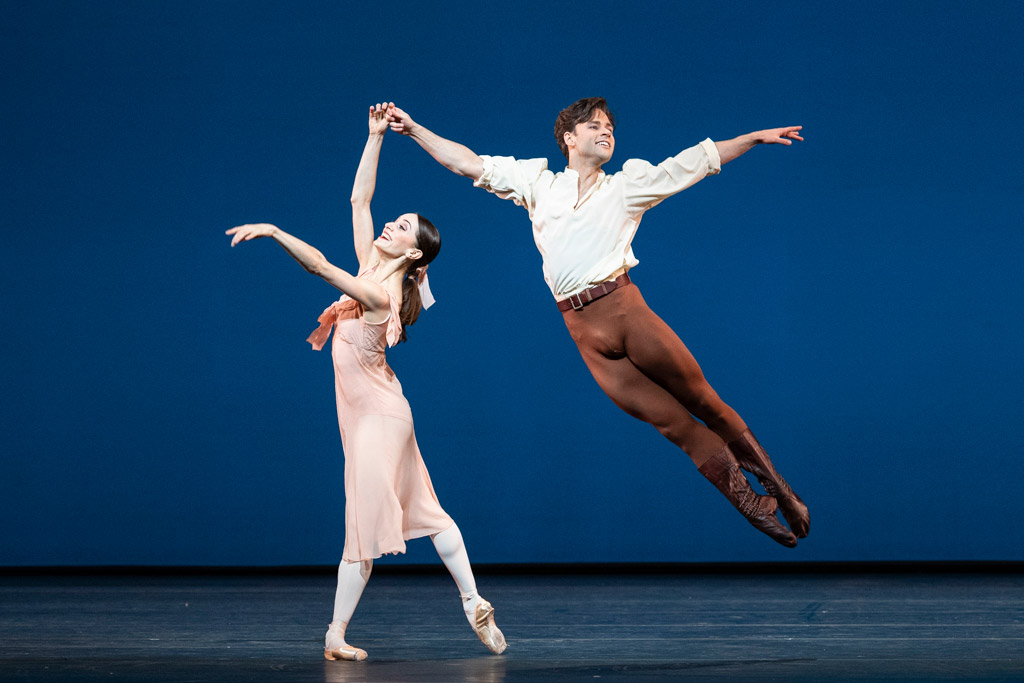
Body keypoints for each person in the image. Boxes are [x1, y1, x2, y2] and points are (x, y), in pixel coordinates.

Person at [386, 98, 809, 548]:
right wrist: (413, 129)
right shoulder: (539, 185)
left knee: (705, 401)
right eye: (594, 126)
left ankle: (780, 490)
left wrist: (750, 139)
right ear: (570, 138)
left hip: (626, 312)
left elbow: (695, 162)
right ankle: (752, 505)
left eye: (610, 126)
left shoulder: (626, 187)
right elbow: (467, 163)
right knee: (675, 426)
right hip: (584, 332)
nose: (606, 131)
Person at [226, 103, 507, 661]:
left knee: (364, 524)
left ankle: (335, 634)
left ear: (415, 252)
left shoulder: (378, 297)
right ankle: (473, 599)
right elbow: (359, 199)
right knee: (425, 511)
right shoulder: (372, 272)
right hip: (375, 413)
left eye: (402, 227)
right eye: (395, 219)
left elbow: (321, 269)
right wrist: (375, 137)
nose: (389, 225)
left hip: (380, 417)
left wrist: (276, 230)